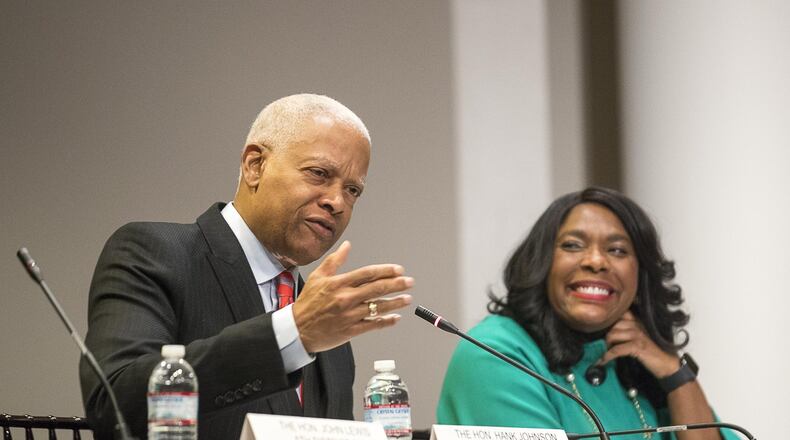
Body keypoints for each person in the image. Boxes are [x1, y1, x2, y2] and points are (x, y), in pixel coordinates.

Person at [80, 94, 414, 440]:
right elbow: (113, 402)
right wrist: (292, 332)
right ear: (255, 166)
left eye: (353, 190)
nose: (337, 202)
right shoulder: (156, 253)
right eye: (319, 174)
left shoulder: (327, 325)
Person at [437, 187, 738, 440]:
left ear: (641, 276)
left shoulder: (638, 362)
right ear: (543, 263)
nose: (596, 261)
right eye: (572, 245)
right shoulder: (494, 352)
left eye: (618, 250)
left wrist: (674, 373)